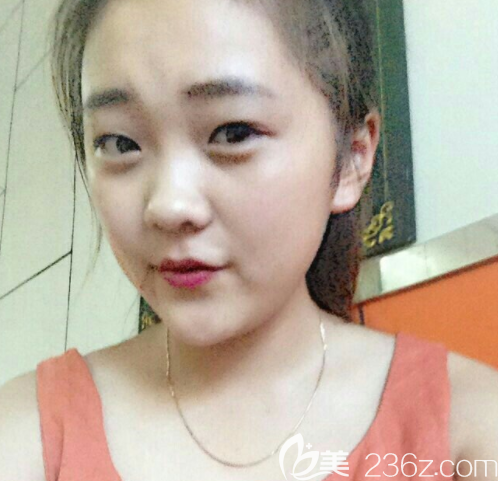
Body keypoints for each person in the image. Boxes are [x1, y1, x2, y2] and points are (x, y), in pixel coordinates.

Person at [1, 0, 498, 479]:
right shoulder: (28, 435)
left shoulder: (468, 432)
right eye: (119, 142)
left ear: (352, 157)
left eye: (234, 133)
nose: (169, 206)